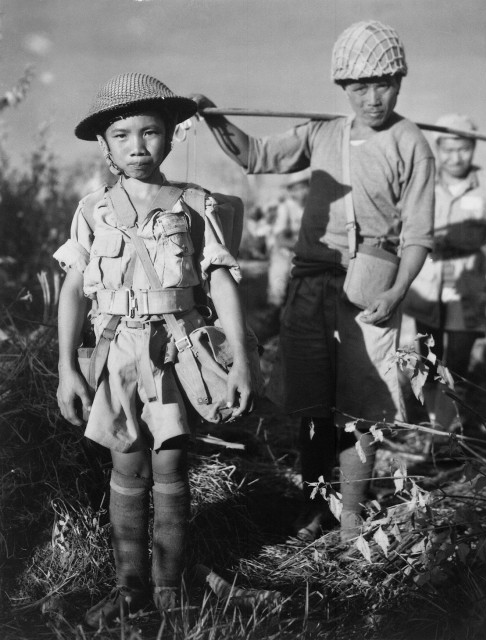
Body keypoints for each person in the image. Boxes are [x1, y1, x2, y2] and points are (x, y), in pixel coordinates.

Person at [191, 20, 435, 542]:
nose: (373, 97)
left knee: (360, 411)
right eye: (360, 86)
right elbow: (255, 156)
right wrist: (213, 116)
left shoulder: (411, 143)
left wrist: (396, 293)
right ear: (343, 88)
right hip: (309, 285)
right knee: (310, 406)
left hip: (372, 288)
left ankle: (349, 519)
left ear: (400, 80)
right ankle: (312, 508)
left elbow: (418, 235)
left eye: (385, 83)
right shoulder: (323, 132)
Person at [54, 73, 252, 627]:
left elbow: (221, 283)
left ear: (171, 137)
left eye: (151, 133)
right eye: (122, 135)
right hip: (117, 354)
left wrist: (242, 357)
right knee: (127, 463)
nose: (137, 146)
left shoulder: (195, 204)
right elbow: (73, 288)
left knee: (170, 463)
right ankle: (130, 588)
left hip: (176, 353)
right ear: (104, 144)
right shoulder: (93, 209)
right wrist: (67, 368)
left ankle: (169, 591)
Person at [404, 114, 486, 431]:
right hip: (426, 283)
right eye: (449, 149)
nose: (456, 157)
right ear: (438, 149)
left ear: (474, 147)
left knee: (457, 361)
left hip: (468, 286)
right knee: (428, 357)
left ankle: (446, 432)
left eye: (464, 149)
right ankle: (430, 418)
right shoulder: (423, 181)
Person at [264, 171, 309, 332]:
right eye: (296, 189)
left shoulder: (314, 207)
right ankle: (271, 326)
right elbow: (280, 238)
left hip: (306, 255)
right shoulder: (286, 207)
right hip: (285, 253)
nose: (301, 192)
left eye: (304, 187)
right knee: (278, 286)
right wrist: (303, 245)